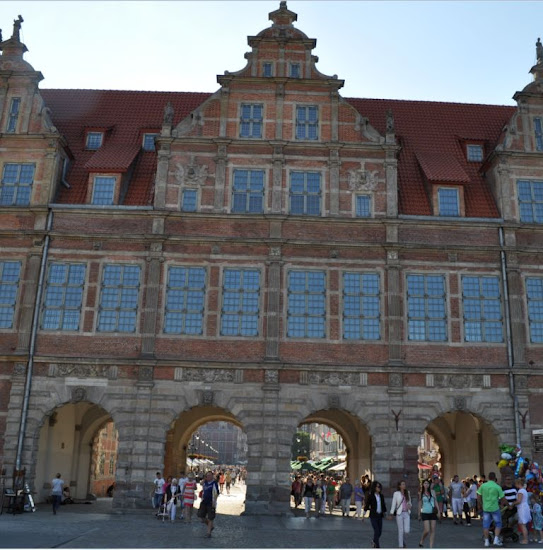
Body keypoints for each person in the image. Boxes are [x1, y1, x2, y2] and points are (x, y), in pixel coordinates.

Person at [477, 471, 507, 547]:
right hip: (495, 508)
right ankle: (496, 539)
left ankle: (486, 541)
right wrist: (507, 505)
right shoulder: (497, 487)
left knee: (486, 525)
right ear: (495, 478)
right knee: (498, 523)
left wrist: (481, 504)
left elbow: (478, 496)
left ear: (488, 477)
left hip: (486, 508)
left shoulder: (483, 486)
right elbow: (503, 498)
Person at [364, 480, 387, 548]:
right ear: (374, 487)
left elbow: (383, 505)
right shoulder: (371, 496)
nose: (379, 488)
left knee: (380, 532)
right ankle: (377, 546)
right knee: (376, 531)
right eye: (377, 487)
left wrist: (386, 513)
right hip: (373, 516)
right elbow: (367, 505)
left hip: (380, 516)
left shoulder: (381, 496)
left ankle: (374, 541)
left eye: (379, 487)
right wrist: (363, 515)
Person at [390, 480, 412, 548]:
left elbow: (410, 502)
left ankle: (403, 541)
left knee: (407, 530)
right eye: (402, 484)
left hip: (406, 513)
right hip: (399, 513)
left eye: (404, 484)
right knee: (400, 530)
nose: (404, 485)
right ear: (399, 486)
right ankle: (401, 546)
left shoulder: (407, 493)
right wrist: (391, 513)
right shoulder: (396, 493)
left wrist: (410, 506)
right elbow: (393, 504)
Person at [198, 471, 219, 538]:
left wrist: (214, 502)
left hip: (211, 502)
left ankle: (208, 533)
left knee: (210, 518)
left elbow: (216, 493)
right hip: (204, 501)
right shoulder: (205, 483)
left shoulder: (214, 483)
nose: (208, 477)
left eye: (209, 475)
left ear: (212, 476)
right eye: (207, 476)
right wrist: (204, 479)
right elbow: (200, 483)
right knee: (201, 516)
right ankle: (211, 526)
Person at [510, 477, 531, 545]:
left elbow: (519, 501)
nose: (515, 485)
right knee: (524, 525)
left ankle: (525, 540)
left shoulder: (520, 491)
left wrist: (513, 503)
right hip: (524, 507)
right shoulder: (524, 490)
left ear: (519, 484)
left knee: (522, 525)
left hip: (522, 508)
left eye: (516, 484)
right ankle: (526, 538)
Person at [418, 478, 437, 548]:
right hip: (425, 512)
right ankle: (422, 540)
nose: (426, 485)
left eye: (427, 483)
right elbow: (420, 503)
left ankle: (431, 546)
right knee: (427, 530)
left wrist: (438, 511)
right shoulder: (421, 493)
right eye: (425, 483)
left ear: (429, 485)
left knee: (433, 529)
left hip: (432, 512)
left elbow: (435, 502)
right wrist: (419, 514)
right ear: (422, 485)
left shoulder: (433, 492)